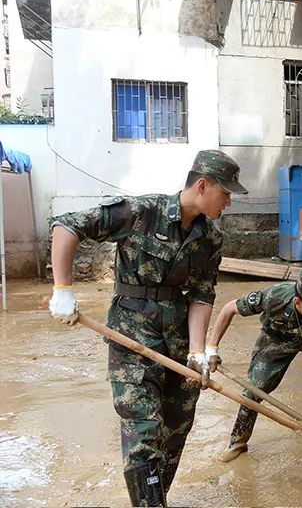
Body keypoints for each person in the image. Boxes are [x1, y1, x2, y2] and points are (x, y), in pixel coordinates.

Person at [47, 149, 247, 507]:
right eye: (227, 192)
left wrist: (198, 351)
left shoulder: (211, 238)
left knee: (177, 425)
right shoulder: (141, 212)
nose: (230, 201)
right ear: (203, 185)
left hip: (179, 338)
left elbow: (202, 294)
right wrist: (62, 288)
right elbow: (67, 225)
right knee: (143, 425)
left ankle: (155, 499)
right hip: (131, 334)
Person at [210, 265, 302, 462]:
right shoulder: (275, 297)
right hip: (277, 339)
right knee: (254, 390)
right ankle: (238, 442)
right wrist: (211, 348)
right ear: (298, 303)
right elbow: (229, 308)